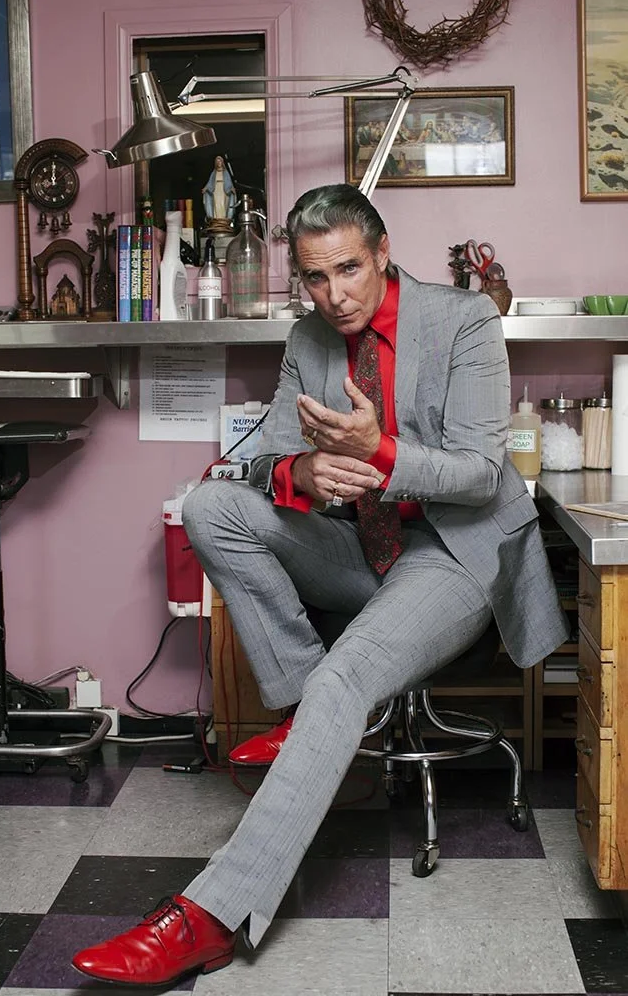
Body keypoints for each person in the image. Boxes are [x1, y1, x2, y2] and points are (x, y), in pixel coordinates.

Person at [72, 183, 569, 988]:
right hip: (356, 549)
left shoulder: (463, 319)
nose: (332, 295)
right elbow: (262, 452)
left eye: (347, 270)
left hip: (455, 555)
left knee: (351, 672)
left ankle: (210, 918)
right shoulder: (308, 334)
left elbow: (481, 475)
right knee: (211, 507)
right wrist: (299, 468)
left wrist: (380, 453)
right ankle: (311, 706)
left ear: (381, 253)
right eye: (312, 277)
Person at [202, 154, 237, 226]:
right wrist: (206, 188)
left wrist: (231, 188)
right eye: (217, 162)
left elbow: (229, 183)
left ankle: (223, 219)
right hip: (215, 190)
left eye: (220, 161)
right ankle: (216, 219)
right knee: (216, 204)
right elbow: (210, 183)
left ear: (222, 162)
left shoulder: (226, 173)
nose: (219, 163)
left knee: (223, 204)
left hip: (224, 191)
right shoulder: (213, 173)